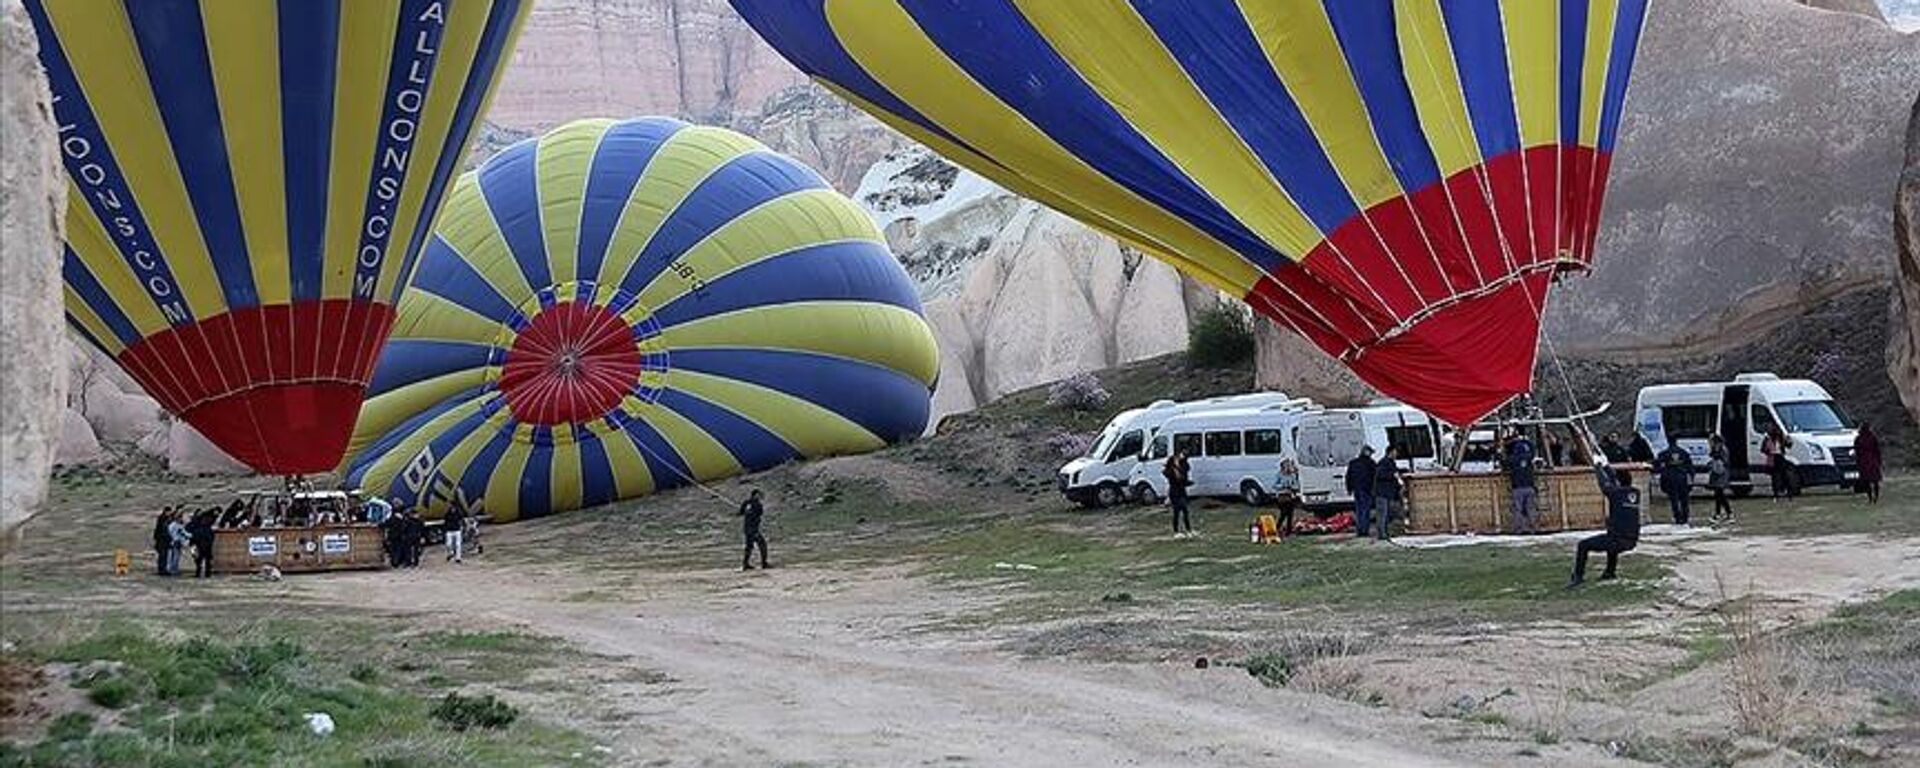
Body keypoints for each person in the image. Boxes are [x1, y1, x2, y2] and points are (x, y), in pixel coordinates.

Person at [1570, 466, 1641, 587]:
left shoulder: (1616, 493)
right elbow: (1614, 484)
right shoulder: (1635, 492)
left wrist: (1598, 469)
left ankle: (1578, 577)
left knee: (1583, 545)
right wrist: (1607, 468)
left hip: (1617, 540)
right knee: (1611, 539)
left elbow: (1604, 486)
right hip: (1631, 540)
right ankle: (1609, 572)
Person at [1503, 429, 1540, 534]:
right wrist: (1525, 440)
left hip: (1517, 488)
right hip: (1530, 487)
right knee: (1530, 509)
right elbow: (1533, 449)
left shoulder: (1512, 460)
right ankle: (1533, 529)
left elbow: (1504, 461)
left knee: (1518, 509)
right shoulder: (1529, 458)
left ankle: (1519, 530)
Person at [1372, 445, 1405, 541]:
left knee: (1386, 514)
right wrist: (1393, 476)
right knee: (1382, 514)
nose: (1396, 454)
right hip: (1382, 492)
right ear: (1390, 452)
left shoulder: (1390, 462)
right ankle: (1382, 534)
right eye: (1395, 452)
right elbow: (1381, 475)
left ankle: (1385, 532)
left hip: (1387, 493)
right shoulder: (1384, 463)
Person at [1345, 445, 1377, 539]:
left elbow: (1348, 476)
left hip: (1356, 489)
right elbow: (1374, 477)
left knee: (1359, 510)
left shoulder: (1353, 463)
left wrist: (1349, 488)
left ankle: (1359, 530)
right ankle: (1364, 530)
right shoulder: (1370, 463)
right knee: (1365, 510)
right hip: (1366, 489)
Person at [738, 489, 771, 570]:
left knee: (749, 546)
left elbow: (740, 513)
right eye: (759, 495)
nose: (760, 497)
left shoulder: (746, 502)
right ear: (755, 495)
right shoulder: (758, 505)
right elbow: (760, 513)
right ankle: (764, 563)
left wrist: (747, 512)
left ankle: (745, 564)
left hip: (747, 529)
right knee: (762, 545)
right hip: (754, 529)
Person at [1164, 449, 1194, 538]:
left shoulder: (1183, 466)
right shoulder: (1170, 471)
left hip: (1181, 491)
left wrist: (1188, 482)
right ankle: (1176, 531)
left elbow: (1185, 473)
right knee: (1177, 512)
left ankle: (1188, 530)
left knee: (1185, 511)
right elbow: (1174, 480)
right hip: (1174, 492)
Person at [1707, 435, 1735, 525]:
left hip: (1721, 473)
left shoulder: (1722, 449)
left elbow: (1724, 461)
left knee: (1720, 494)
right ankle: (1718, 514)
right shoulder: (1716, 449)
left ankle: (1728, 513)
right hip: (1717, 473)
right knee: (1718, 494)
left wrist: (1716, 455)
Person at [1273, 456, 1302, 539]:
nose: (1288, 467)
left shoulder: (1292, 475)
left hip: (1290, 496)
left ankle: (1289, 532)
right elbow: (1274, 485)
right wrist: (1282, 485)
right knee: (1283, 513)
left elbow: (1296, 485)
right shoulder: (1279, 475)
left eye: (1289, 466)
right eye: (1287, 466)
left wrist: (1292, 486)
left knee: (1290, 515)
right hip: (1282, 497)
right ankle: (1277, 528)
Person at [1761, 426, 1792, 501]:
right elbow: (1762, 449)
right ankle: (1776, 495)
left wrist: (1788, 441)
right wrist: (1768, 451)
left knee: (1785, 476)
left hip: (1780, 457)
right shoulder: (1768, 439)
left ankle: (1788, 493)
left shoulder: (1781, 439)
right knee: (1775, 478)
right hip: (1773, 458)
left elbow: (1788, 445)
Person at [1854, 422, 1882, 504]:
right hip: (1872, 461)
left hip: (1864, 462)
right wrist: (1879, 460)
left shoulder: (1859, 439)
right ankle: (1875, 497)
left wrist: (1857, 461)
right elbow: (1877, 450)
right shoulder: (1872, 437)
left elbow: (1857, 451)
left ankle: (1870, 497)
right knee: (1874, 481)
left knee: (1867, 481)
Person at [188, 509, 217, 578]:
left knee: (199, 561)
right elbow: (211, 537)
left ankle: (199, 573)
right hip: (206, 546)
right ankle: (207, 573)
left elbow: (194, 537)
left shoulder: (198, 528)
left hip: (200, 545)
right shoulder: (207, 528)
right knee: (206, 560)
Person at [165, 510, 189, 577]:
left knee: (175, 556)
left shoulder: (177, 525)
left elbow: (184, 533)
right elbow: (172, 533)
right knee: (174, 556)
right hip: (175, 542)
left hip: (177, 542)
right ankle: (172, 569)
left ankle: (173, 569)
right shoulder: (174, 525)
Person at [152, 507, 174, 576]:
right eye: (169, 512)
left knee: (164, 556)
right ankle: (162, 570)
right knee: (162, 556)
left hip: (164, 541)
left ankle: (162, 569)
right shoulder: (163, 520)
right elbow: (162, 531)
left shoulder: (164, 519)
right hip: (162, 541)